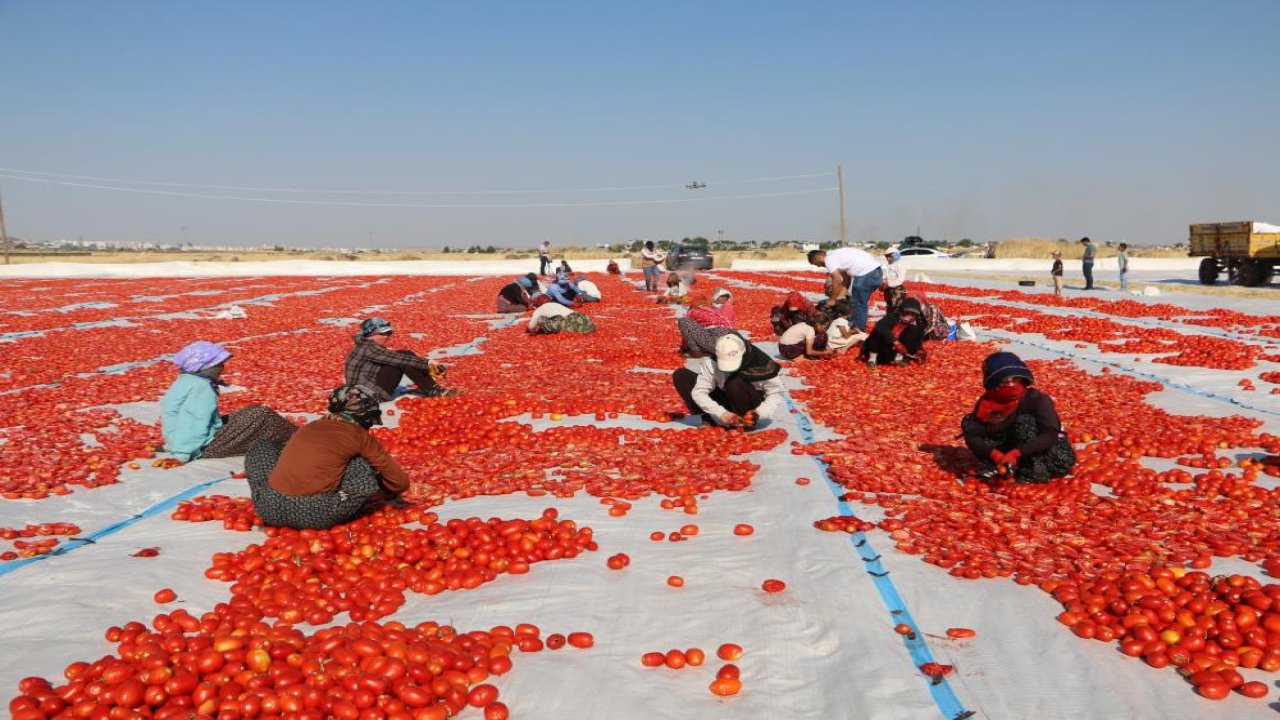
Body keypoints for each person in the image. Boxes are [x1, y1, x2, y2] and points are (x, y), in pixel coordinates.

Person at [245, 385, 410, 530]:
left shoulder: (311, 426)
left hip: (269, 508)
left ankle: (272, 494)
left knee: (261, 446)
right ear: (366, 413)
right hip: (318, 514)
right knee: (359, 463)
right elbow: (400, 482)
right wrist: (384, 490)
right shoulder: (358, 435)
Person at [160, 341, 296, 462]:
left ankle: (293, 435)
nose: (222, 367)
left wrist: (172, 443)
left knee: (251, 411)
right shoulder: (201, 387)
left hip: (179, 439)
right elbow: (195, 419)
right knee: (262, 415)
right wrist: (182, 454)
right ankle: (298, 436)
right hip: (204, 446)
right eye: (218, 364)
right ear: (204, 367)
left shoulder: (186, 380)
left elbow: (175, 415)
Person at [961, 352, 1076, 483]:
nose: (1010, 384)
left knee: (1025, 422)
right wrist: (993, 454)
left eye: (1014, 379)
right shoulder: (987, 403)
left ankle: (1030, 470)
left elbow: (1050, 435)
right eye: (1004, 381)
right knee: (968, 422)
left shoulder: (1036, 399)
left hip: (1041, 450)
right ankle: (1005, 466)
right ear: (994, 382)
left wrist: (1016, 453)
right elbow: (973, 435)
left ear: (1022, 379)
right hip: (1007, 447)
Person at [672, 333, 784, 430]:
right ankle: (712, 417)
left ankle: (742, 423)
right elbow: (699, 392)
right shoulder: (712, 362)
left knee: (733, 381)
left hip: (749, 404)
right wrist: (721, 413)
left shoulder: (761, 363)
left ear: (743, 354)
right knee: (681, 375)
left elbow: (775, 394)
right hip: (726, 400)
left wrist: (758, 413)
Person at [344, 317, 454, 400]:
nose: (386, 336)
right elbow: (400, 359)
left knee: (404, 355)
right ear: (371, 334)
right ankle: (433, 390)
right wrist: (430, 364)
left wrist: (426, 366)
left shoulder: (365, 344)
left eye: (389, 333)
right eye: (382, 333)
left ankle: (430, 387)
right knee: (404, 360)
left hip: (364, 389)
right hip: (370, 396)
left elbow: (395, 357)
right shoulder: (369, 348)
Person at [808, 247, 883, 333]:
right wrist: (840, 296)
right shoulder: (837, 256)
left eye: (817, 264)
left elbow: (837, 280)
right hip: (876, 272)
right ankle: (857, 327)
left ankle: (858, 330)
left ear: (818, 257)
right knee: (860, 303)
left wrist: (832, 300)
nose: (819, 266)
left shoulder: (829, 259)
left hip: (866, 273)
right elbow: (846, 279)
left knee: (858, 304)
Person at [860, 297, 927, 368]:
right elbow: (880, 327)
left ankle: (898, 359)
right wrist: (895, 342)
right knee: (877, 332)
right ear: (901, 311)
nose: (909, 316)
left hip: (890, 352)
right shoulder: (892, 317)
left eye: (913, 314)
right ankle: (872, 360)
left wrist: (919, 349)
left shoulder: (915, 325)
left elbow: (918, 340)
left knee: (913, 331)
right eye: (907, 312)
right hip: (878, 349)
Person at [528, 296, 596, 334]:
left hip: (567, 324)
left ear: (538, 303)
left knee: (540, 319)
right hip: (586, 321)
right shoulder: (557, 304)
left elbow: (531, 326)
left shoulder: (540, 309)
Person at [882, 248, 907, 312]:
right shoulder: (888, 266)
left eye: (889, 256)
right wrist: (882, 283)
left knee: (896, 308)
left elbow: (900, 280)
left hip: (897, 290)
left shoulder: (900, 265)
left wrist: (889, 284)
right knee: (889, 307)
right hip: (888, 290)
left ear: (895, 256)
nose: (888, 259)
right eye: (886, 256)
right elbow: (886, 277)